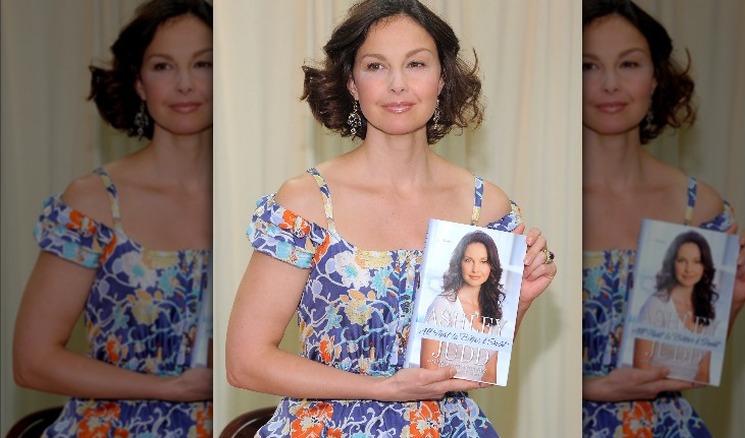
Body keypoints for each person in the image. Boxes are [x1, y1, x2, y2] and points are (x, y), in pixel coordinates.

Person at [225, 0, 557, 436]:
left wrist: (522, 299)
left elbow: (463, 364)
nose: (397, 84)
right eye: (376, 66)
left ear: (442, 78)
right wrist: (383, 388)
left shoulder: (487, 207)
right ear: (351, 83)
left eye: (416, 64)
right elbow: (245, 362)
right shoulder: (306, 202)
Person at [12, 0, 213, 436]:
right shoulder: (94, 201)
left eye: (203, 64)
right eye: (163, 66)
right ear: (139, 82)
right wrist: (167, 388)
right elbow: (32, 362)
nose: (184, 84)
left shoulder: (256, 201)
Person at [582, 0, 745, 436]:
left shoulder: (700, 208)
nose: (610, 84)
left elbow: (687, 359)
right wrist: (591, 388)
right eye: (589, 66)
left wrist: (734, 299)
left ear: (655, 77)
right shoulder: (548, 199)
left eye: (628, 63)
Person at [633, 231, 719, 384]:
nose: (688, 269)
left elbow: (703, 375)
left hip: (680, 398)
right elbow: (641, 370)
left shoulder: (708, 311)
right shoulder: (656, 304)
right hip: (652, 398)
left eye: (696, 261)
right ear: (672, 263)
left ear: (705, 266)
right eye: (681, 260)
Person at [420, 230, 505, 384]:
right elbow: (428, 374)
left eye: (483, 261)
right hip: (441, 399)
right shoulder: (443, 305)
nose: (475, 269)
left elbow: (490, 374)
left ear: (492, 265)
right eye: (468, 260)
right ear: (459, 263)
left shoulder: (494, 311)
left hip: (472, 400)